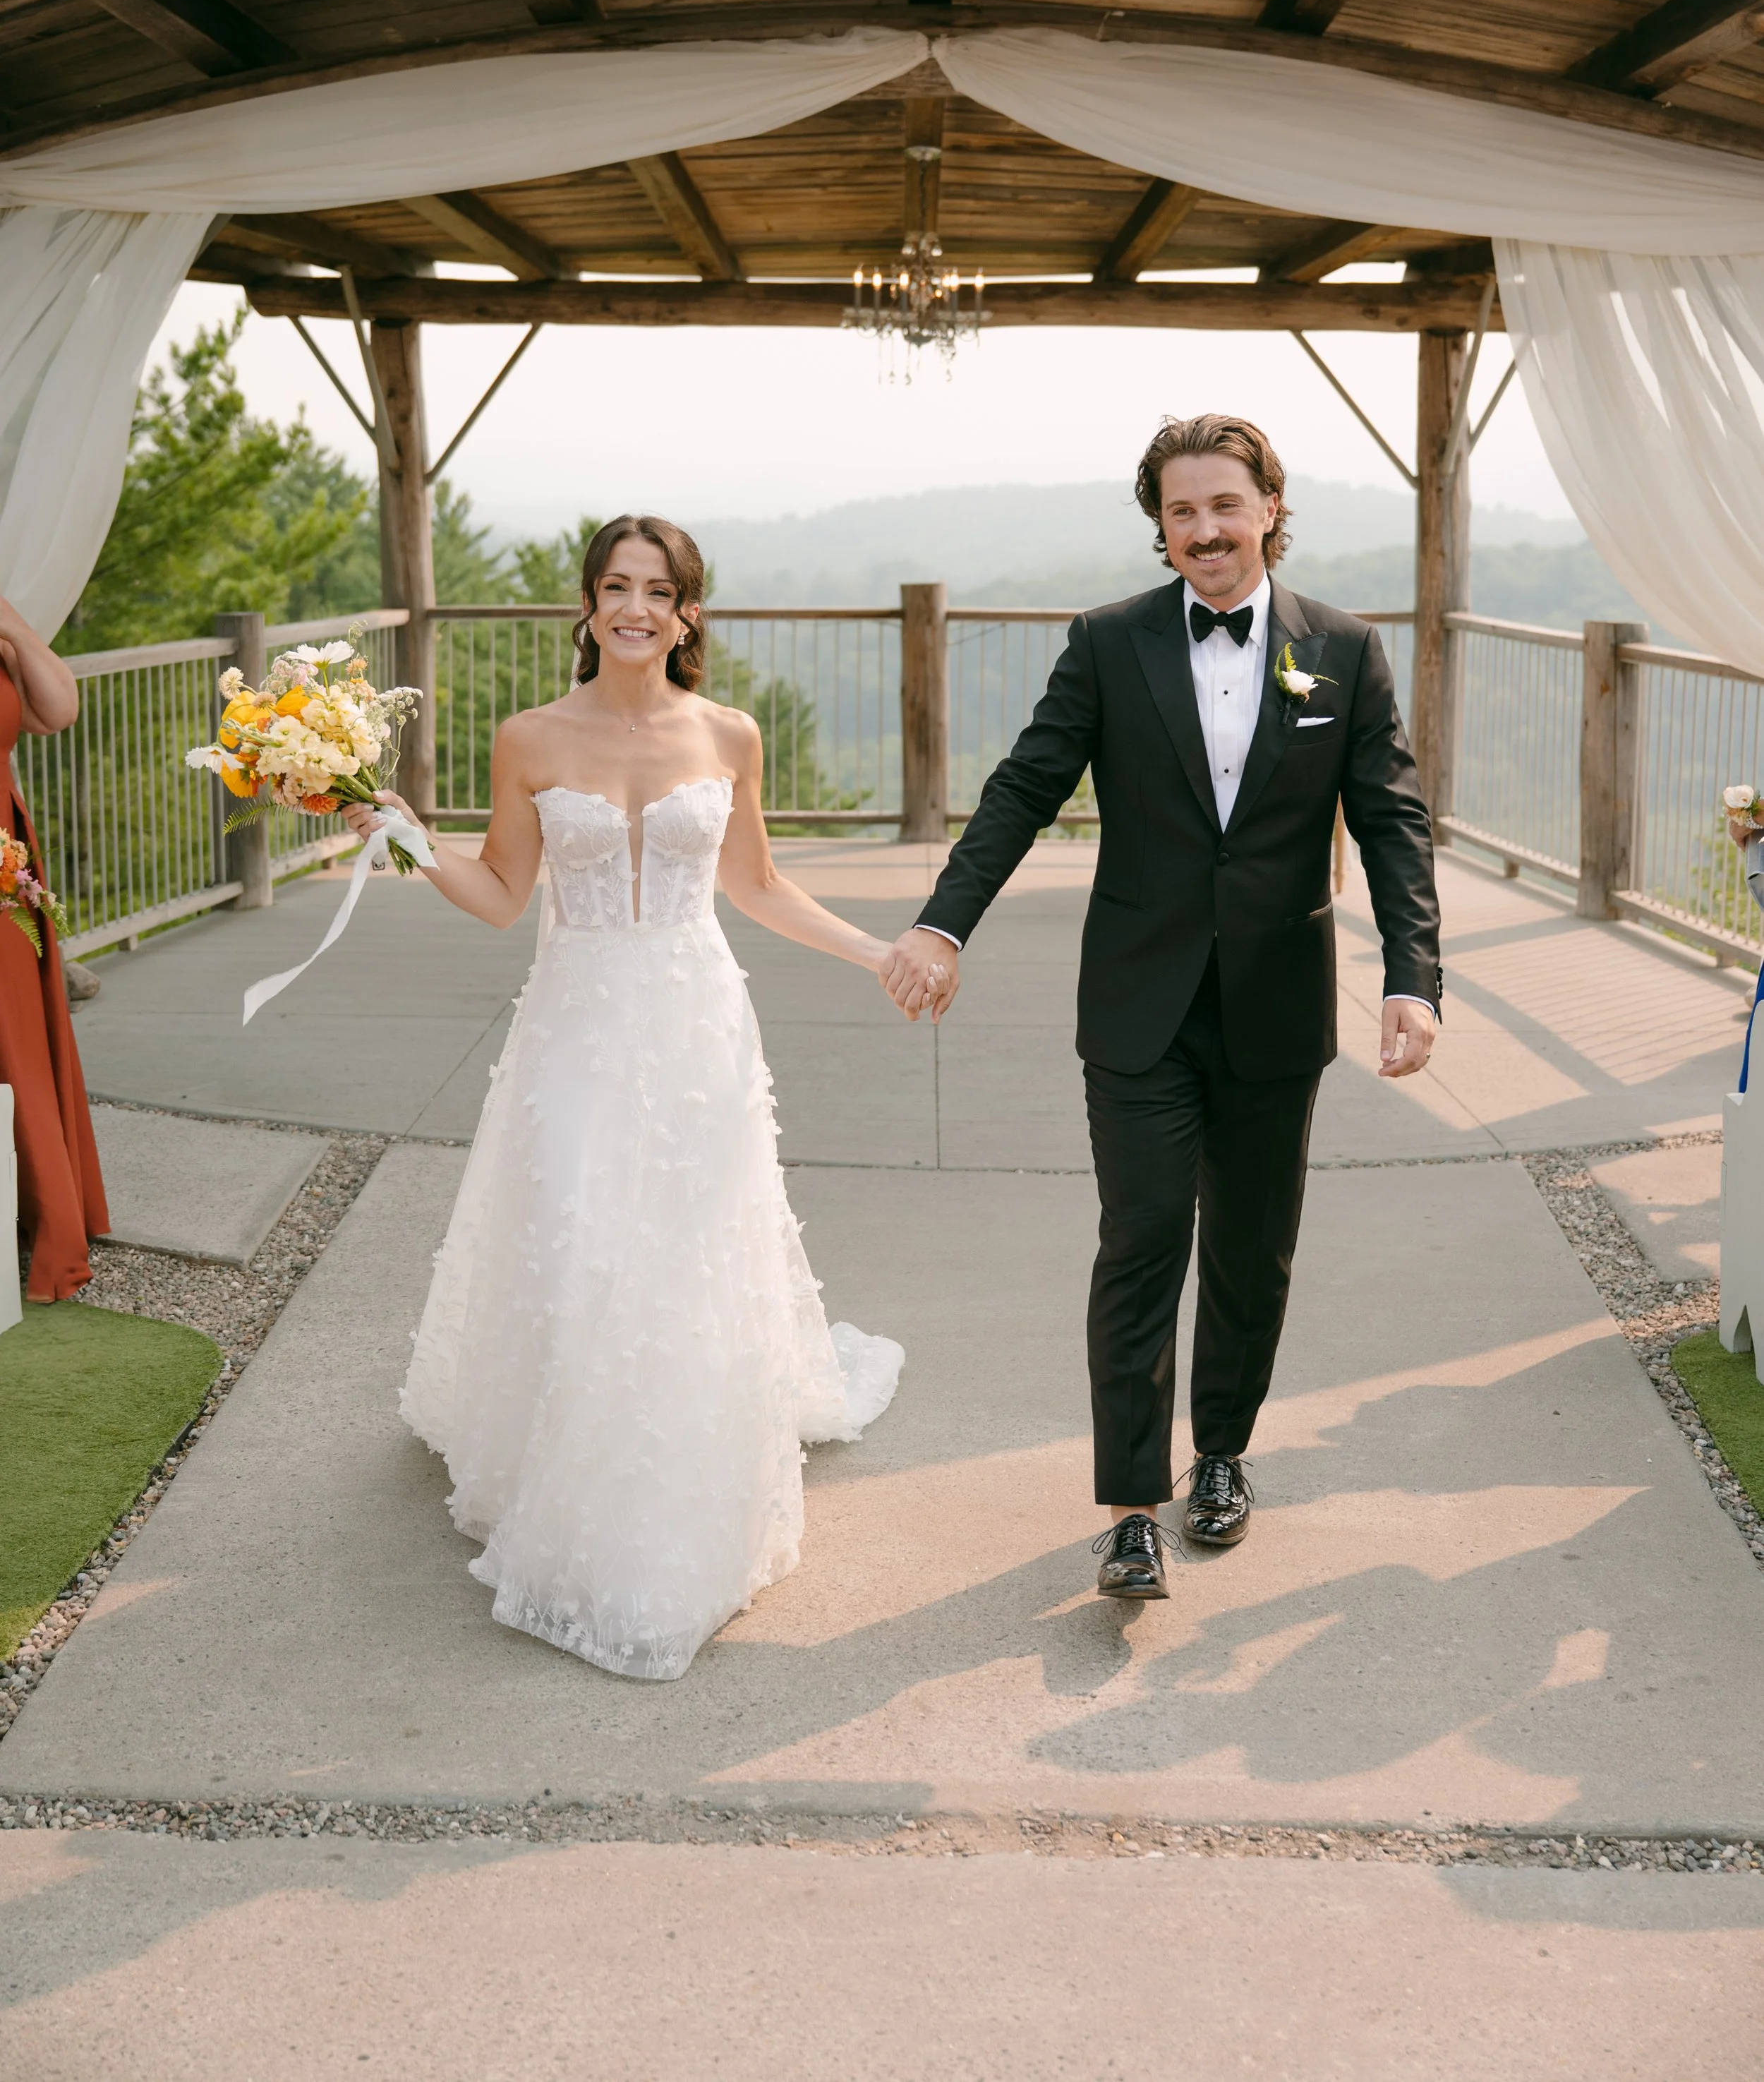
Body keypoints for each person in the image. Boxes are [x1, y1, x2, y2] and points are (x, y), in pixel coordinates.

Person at [883, 414, 1442, 1596]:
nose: (1205, 531)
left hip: (1279, 1007)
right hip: (1139, 1003)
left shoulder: (1341, 649)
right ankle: (1132, 1507)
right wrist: (943, 920)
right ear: (1161, 526)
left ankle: (1223, 1455)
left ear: (1269, 509)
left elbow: (1392, 819)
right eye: (1181, 512)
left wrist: (1411, 977)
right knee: (1142, 1240)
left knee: (1252, 1250)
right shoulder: (1108, 643)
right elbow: (1026, 786)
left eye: (1224, 507)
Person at [347, 515, 905, 1681]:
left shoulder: (731, 733)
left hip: (698, 1022)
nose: (636, 607)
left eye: (659, 589)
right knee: (586, 1245)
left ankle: (684, 1475)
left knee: (683, 1255)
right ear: (590, 605)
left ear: (687, 610)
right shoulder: (531, 736)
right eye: (616, 586)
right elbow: (502, 893)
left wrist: (879, 952)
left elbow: (756, 883)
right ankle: (579, 1473)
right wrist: (392, 834)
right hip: (577, 1024)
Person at [0, 596, 107, 1301]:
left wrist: (9, 624)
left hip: (2, 854)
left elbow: (55, 710)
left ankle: (35, 1207)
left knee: (16, 1037)